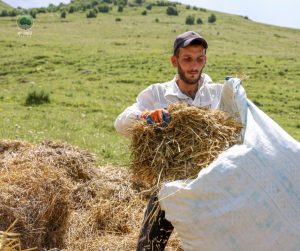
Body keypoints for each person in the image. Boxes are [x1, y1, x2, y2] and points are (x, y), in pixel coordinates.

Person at [114, 31, 224, 251]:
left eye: (199, 59)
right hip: (169, 185)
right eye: (187, 59)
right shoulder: (158, 93)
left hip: (210, 185)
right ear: (175, 61)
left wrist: (237, 95)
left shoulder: (219, 94)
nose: (194, 65)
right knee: (149, 246)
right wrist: (145, 117)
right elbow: (120, 123)